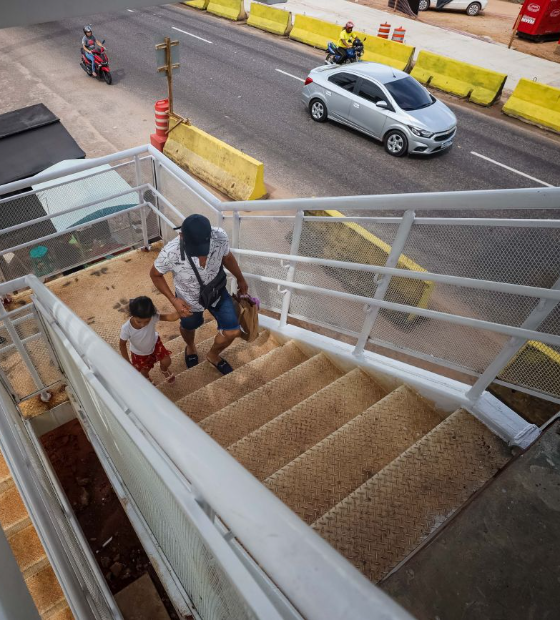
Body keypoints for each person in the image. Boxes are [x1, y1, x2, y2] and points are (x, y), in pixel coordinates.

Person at [150, 214, 248, 376]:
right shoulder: (170, 252)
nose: (200, 254)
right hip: (188, 300)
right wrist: (174, 300)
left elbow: (227, 258)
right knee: (189, 326)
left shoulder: (219, 236)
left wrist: (241, 279)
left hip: (217, 291)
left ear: (210, 235)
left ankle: (213, 355)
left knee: (232, 331)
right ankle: (191, 347)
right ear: (181, 236)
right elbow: (155, 274)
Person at [119, 296, 178, 384]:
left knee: (167, 361)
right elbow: (122, 345)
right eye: (139, 321)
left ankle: (164, 369)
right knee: (144, 371)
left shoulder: (153, 317)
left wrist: (180, 312)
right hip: (139, 353)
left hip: (155, 344)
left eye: (147, 321)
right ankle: (146, 377)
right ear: (132, 315)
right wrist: (127, 363)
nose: (143, 324)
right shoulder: (126, 328)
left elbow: (170, 317)